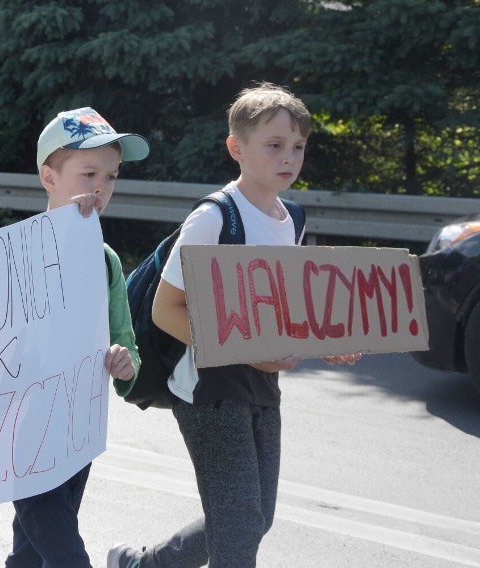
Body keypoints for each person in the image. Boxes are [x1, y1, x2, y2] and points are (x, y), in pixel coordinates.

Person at [107, 83, 360, 568]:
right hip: (209, 389)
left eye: (298, 147)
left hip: (262, 382)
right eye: (274, 145)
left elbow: (283, 307)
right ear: (236, 148)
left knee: (252, 517)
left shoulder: (294, 219)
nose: (289, 157)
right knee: (239, 526)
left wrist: (328, 341)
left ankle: (145, 565)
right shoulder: (214, 219)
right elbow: (167, 310)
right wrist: (249, 353)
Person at [5, 107, 147, 568]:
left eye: (111, 175)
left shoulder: (105, 259)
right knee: (66, 554)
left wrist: (125, 364)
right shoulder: (15, 250)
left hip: (78, 428)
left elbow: (124, 338)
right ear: (49, 177)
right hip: (25, 431)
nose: (101, 187)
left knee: (31, 552)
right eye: (89, 173)